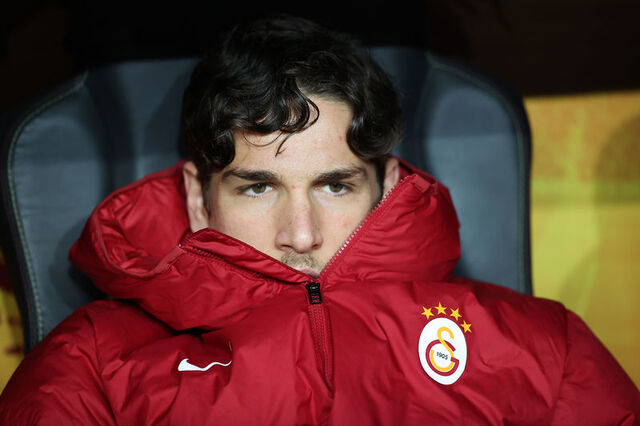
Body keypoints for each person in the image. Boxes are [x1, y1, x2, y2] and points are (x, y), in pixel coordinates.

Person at [0, 14, 638, 425]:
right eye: (258, 188)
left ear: (386, 185)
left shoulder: (543, 349)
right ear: (198, 196)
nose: (301, 235)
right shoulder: (94, 366)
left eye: (335, 185)